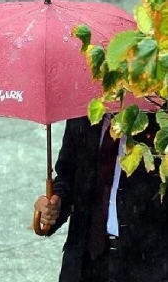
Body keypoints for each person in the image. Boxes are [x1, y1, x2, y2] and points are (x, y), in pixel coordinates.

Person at [33, 113, 168, 282]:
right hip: (85, 260)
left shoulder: (158, 121)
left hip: (144, 263)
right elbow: (67, 174)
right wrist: (56, 202)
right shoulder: (82, 115)